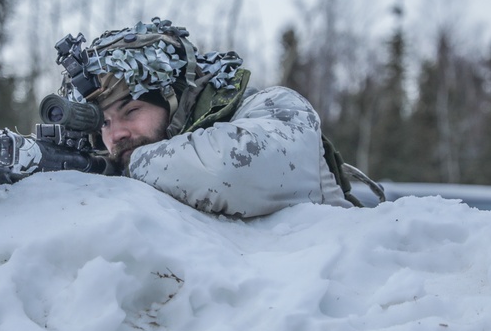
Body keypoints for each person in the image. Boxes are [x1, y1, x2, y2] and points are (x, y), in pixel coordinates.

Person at [56, 18, 371, 219]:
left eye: (131, 111)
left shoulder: (275, 107)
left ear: (175, 101)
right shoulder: (158, 169)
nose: (116, 135)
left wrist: (127, 165)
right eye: (104, 124)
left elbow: (229, 171)